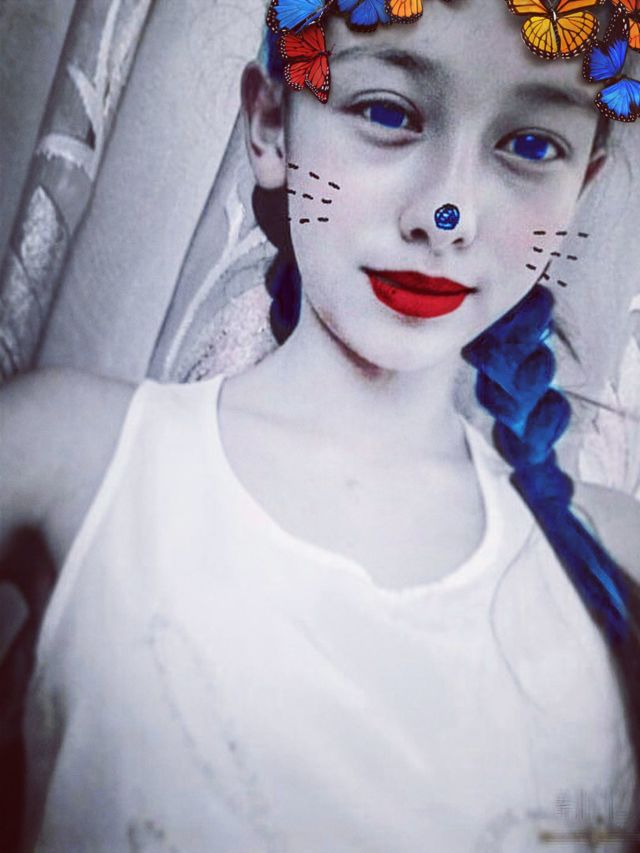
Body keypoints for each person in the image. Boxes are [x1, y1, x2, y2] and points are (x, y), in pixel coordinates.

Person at [1, 0, 640, 850]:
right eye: (388, 113)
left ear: (582, 185)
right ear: (271, 124)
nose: (447, 215)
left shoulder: (616, 558)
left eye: (530, 144)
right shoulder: (65, 452)